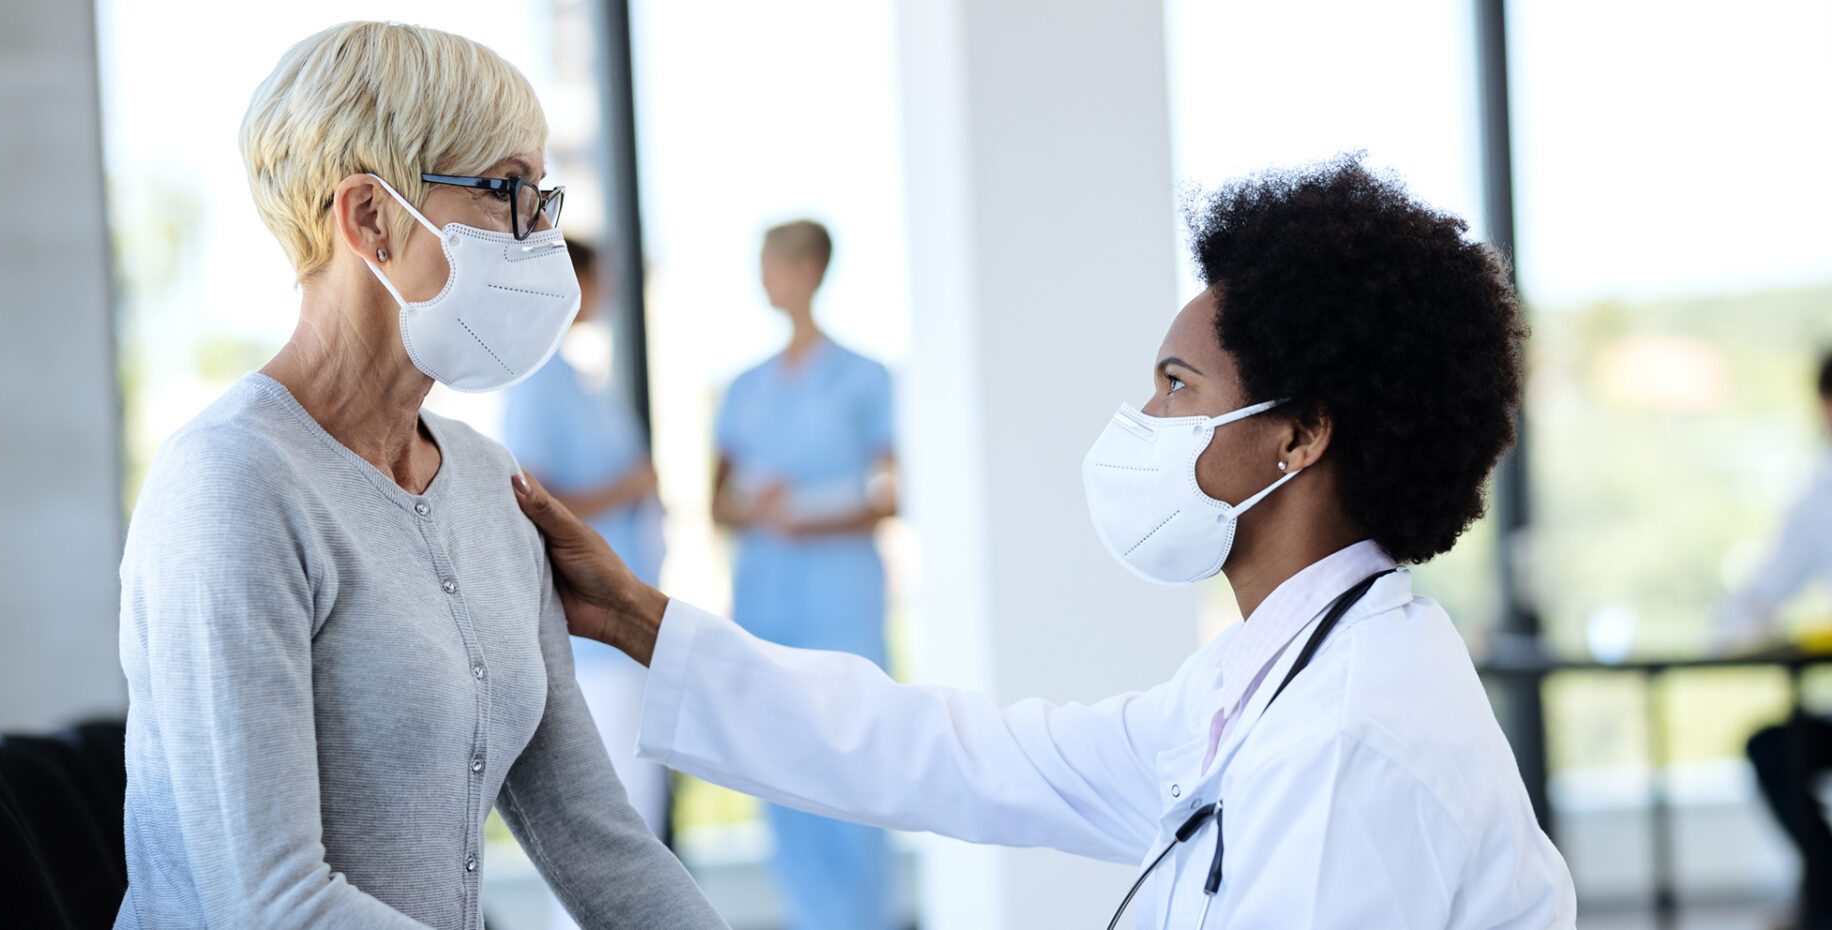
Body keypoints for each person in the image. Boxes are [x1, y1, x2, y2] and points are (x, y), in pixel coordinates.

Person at [516, 157, 1578, 928]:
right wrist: (646, 623)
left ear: (1298, 437)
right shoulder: (1268, 682)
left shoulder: (1351, 737)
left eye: (1176, 387)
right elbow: (972, 759)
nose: (1142, 421)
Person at [115, 22, 725, 929]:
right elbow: (273, 905)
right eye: (507, 191)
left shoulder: (486, 483)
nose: (541, 237)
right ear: (370, 217)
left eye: (542, 197)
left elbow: (597, 840)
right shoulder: (232, 483)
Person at [707, 219, 900, 930]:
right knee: (780, 772)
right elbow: (718, 504)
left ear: (812, 270)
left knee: (855, 768)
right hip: (766, 606)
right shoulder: (744, 388)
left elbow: (891, 494)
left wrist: (809, 515)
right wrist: (756, 508)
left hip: (842, 605)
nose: (765, 279)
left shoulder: (866, 378)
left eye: (775, 264)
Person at [501, 238, 673, 929]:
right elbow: (534, 498)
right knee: (605, 846)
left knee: (637, 832)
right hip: (592, 648)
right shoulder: (537, 385)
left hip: (629, 638)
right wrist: (628, 487)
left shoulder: (581, 383)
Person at [1718, 351, 1832, 930]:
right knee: (1774, 748)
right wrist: (1738, 625)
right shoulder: (1821, 492)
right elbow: (1761, 592)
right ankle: (1827, 891)